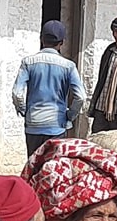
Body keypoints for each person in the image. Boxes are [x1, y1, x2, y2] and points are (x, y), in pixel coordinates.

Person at [12, 21, 84, 154]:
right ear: (62, 42)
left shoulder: (28, 62)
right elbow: (80, 97)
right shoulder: (69, 66)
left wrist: (25, 111)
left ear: (41, 39)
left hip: (33, 124)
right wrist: (69, 115)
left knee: (33, 167)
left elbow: (17, 93)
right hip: (56, 126)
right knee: (52, 169)